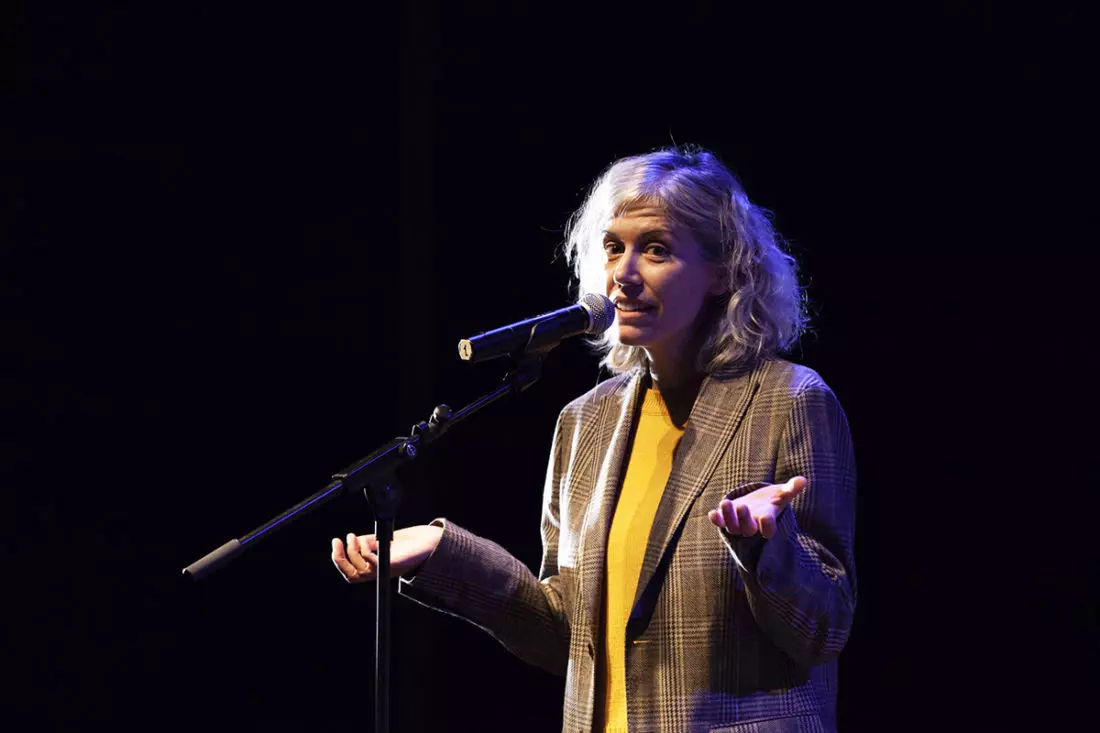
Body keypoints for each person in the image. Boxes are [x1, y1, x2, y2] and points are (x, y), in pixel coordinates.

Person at [331, 146, 856, 733]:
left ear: (724, 273)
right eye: (612, 247)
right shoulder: (586, 422)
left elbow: (826, 629)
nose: (623, 275)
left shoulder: (788, 401)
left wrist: (766, 548)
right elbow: (566, 637)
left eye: (655, 249)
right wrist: (443, 553)